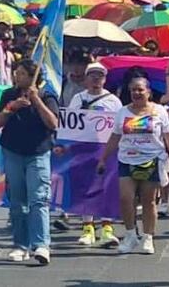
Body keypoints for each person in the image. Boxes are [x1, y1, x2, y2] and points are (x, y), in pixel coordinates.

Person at [97, 75, 169, 256]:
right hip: (127, 160)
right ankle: (130, 235)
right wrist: (103, 158)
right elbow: (115, 137)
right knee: (126, 198)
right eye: (133, 89)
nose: (136, 93)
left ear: (148, 92)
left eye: (140, 89)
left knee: (148, 201)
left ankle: (148, 237)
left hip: (152, 160)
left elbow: (168, 136)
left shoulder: (159, 111)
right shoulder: (122, 112)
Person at [0, 59, 59, 266]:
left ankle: (41, 245)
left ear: (32, 77)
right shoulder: (8, 95)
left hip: (38, 152)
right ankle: (20, 245)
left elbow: (53, 123)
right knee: (17, 201)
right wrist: (11, 108)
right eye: (16, 73)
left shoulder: (47, 96)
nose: (17, 77)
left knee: (38, 198)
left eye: (21, 74)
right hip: (13, 151)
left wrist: (36, 101)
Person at [67, 62, 122, 248]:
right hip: (84, 148)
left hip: (106, 149)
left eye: (100, 76)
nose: (96, 79)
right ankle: (88, 228)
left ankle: (107, 228)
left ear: (105, 79)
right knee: (86, 188)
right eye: (92, 75)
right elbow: (70, 124)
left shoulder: (113, 101)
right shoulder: (77, 98)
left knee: (106, 187)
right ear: (86, 78)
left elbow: (119, 126)